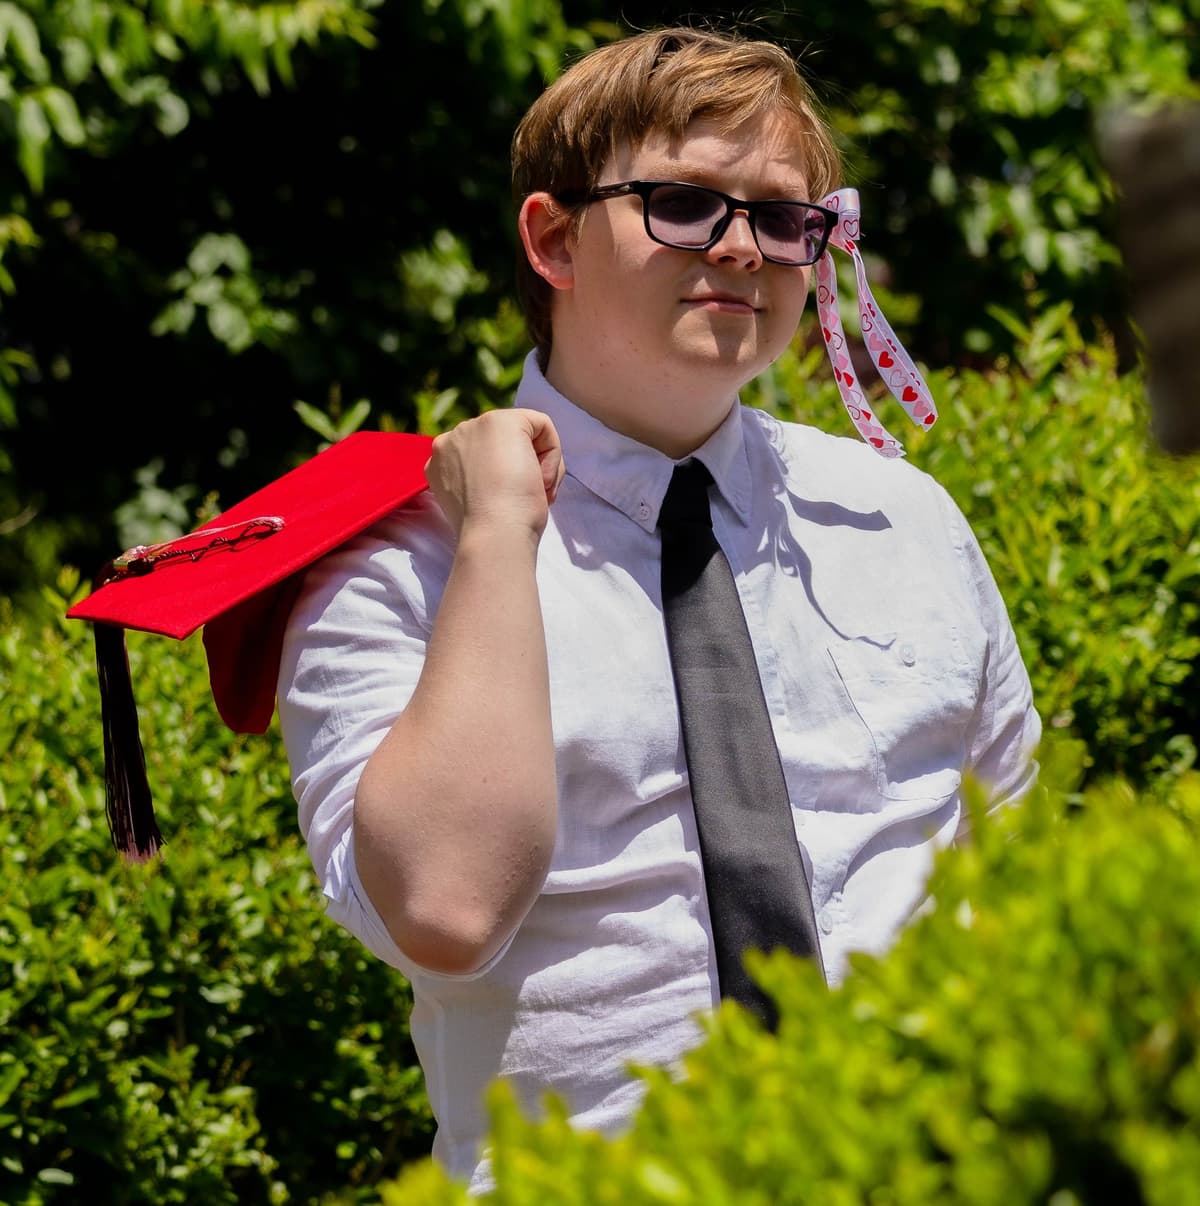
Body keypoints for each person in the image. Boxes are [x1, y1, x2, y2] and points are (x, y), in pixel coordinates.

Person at [276, 24, 1042, 1193]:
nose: (740, 247)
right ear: (553, 239)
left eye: (781, 219)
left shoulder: (902, 518)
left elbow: (1018, 871)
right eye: (682, 203)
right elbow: (445, 908)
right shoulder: (401, 564)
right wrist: (497, 536)